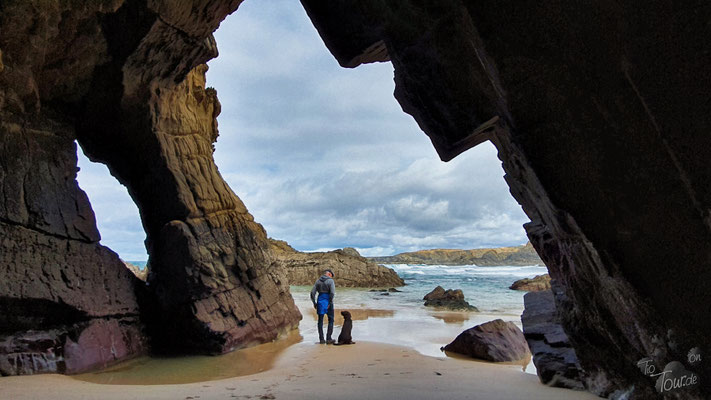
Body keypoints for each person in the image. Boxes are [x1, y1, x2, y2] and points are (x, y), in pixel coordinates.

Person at [310, 269, 336, 344]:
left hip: (320, 301)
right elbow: (332, 293)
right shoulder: (330, 281)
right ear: (329, 274)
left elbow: (312, 293)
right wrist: (330, 302)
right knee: (331, 320)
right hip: (328, 301)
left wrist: (314, 303)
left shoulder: (318, 281)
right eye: (331, 276)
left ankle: (321, 339)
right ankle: (328, 338)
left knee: (320, 321)